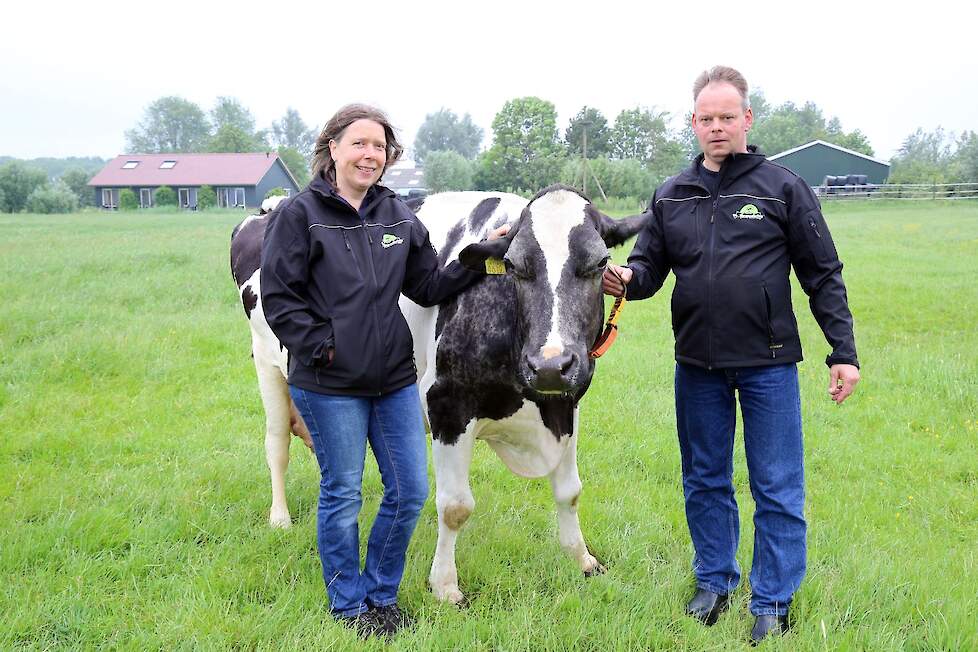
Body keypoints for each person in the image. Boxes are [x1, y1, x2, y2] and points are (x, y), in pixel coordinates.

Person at [602, 66, 860, 644]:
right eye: (705, 118)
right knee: (704, 479)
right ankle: (714, 581)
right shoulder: (673, 194)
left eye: (726, 116)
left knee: (776, 485)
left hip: (768, 364)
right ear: (692, 123)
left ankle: (773, 598)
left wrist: (842, 351)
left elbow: (823, 275)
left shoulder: (783, 188)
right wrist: (624, 278)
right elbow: (649, 270)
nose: (716, 127)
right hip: (696, 366)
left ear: (746, 118)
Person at [260, 104, 502, 638]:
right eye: (359, 144)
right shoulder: (301, 215)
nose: (370, 155)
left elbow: (428, 285)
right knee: (343, 492)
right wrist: (324, 349)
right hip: (329, 385)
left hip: (393, 380)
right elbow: (280, 300)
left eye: (380, 147)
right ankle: (349, 605)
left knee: (410, 490)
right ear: (333, 149)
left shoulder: (395, 215)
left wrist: (479, 255)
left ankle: (381, 594)